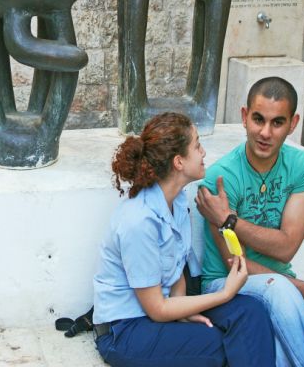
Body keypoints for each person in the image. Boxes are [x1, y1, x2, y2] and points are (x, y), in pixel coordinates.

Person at [93, 112, 276, 367]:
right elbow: (156, 308)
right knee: (222, 343)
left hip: (162, 309)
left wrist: (183, 311)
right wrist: (224, 294)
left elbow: (177, 272)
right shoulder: (139, 221)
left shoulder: (177, 200)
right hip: (125, 330)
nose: (203, 153)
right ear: (179, 162)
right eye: (197, 145)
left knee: (251, 312)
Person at [196, 77, 304, 366]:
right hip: (223, 284)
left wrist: (229, 220)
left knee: (283, 358)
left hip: (280, 285)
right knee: (279, 289)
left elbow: (286, 247)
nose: (265, 132)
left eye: (277, 122)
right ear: (245, 117)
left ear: (293, 123)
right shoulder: (221, 178)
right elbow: (235, 264)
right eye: (258, 119)